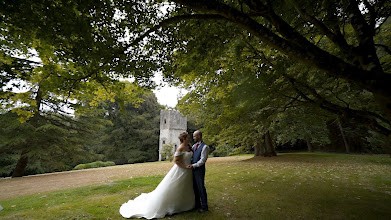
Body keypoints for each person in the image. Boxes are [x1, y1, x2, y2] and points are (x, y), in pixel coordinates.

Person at [119, 132, 195, 219]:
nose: (189, 139)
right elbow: (176, 161)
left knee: (185, 187)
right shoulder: (180, 148)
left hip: (189, 171)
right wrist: (185, 166)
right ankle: (173, 205)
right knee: (175, 187)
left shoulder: (189, 146)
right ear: (183, 139)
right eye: (188, 137)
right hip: (181, 169)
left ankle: (185, 204)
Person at [187, 130, 209, 213]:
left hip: (199, 170)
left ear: (199, 136)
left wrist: (194, 165)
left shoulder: (205, 147)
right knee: (195, 188)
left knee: (201, 187)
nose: (193, 138)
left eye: (194, 136)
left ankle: (204, 206)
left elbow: (203, 160)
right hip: (193, 170)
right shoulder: (194, 146)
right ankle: (197, 204)